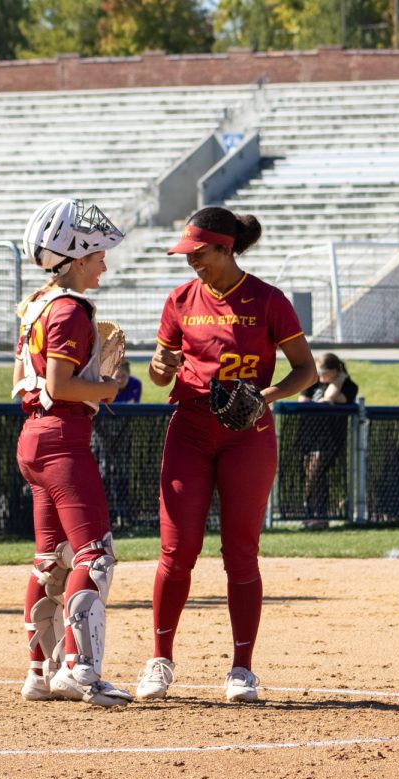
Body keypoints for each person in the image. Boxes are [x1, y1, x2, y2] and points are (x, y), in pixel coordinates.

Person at [135, 207, 317, 703]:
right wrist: (157, 364)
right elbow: (159, 376)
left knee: (240, 551)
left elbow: (307, 371)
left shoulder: (267, 300)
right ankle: (160, 661)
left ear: (224, 248)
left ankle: (242, 669)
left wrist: (267, 397)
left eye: (198, 253)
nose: (191, 262)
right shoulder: (180, 299)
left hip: (248, 430)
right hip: (190, 428)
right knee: (176, 551)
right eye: (187, 254)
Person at [12, 198, 133, 707]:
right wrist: (111, 386)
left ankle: (40, 673)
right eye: (99, 254)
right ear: (77, 255)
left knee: (50, 560)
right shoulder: (69, 309)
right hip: (62, 439)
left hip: (36, 439)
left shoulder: (36, 303)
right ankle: (81, 671)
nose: (104, 263)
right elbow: (61, 385)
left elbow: (25, 381)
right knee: (94, 554)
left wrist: (90, 384)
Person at [298, 353, 359, 528]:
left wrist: (340, 380)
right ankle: (314, 514)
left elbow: (331, 398)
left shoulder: (348, 386)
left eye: (325, 372)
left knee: (316, 473)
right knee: (311, 474)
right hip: (309, 436)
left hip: (330, 439)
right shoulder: (312, 382)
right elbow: (303, 401)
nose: (321, 375)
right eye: (319, 371)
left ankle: (318, 515)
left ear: (336, 371)